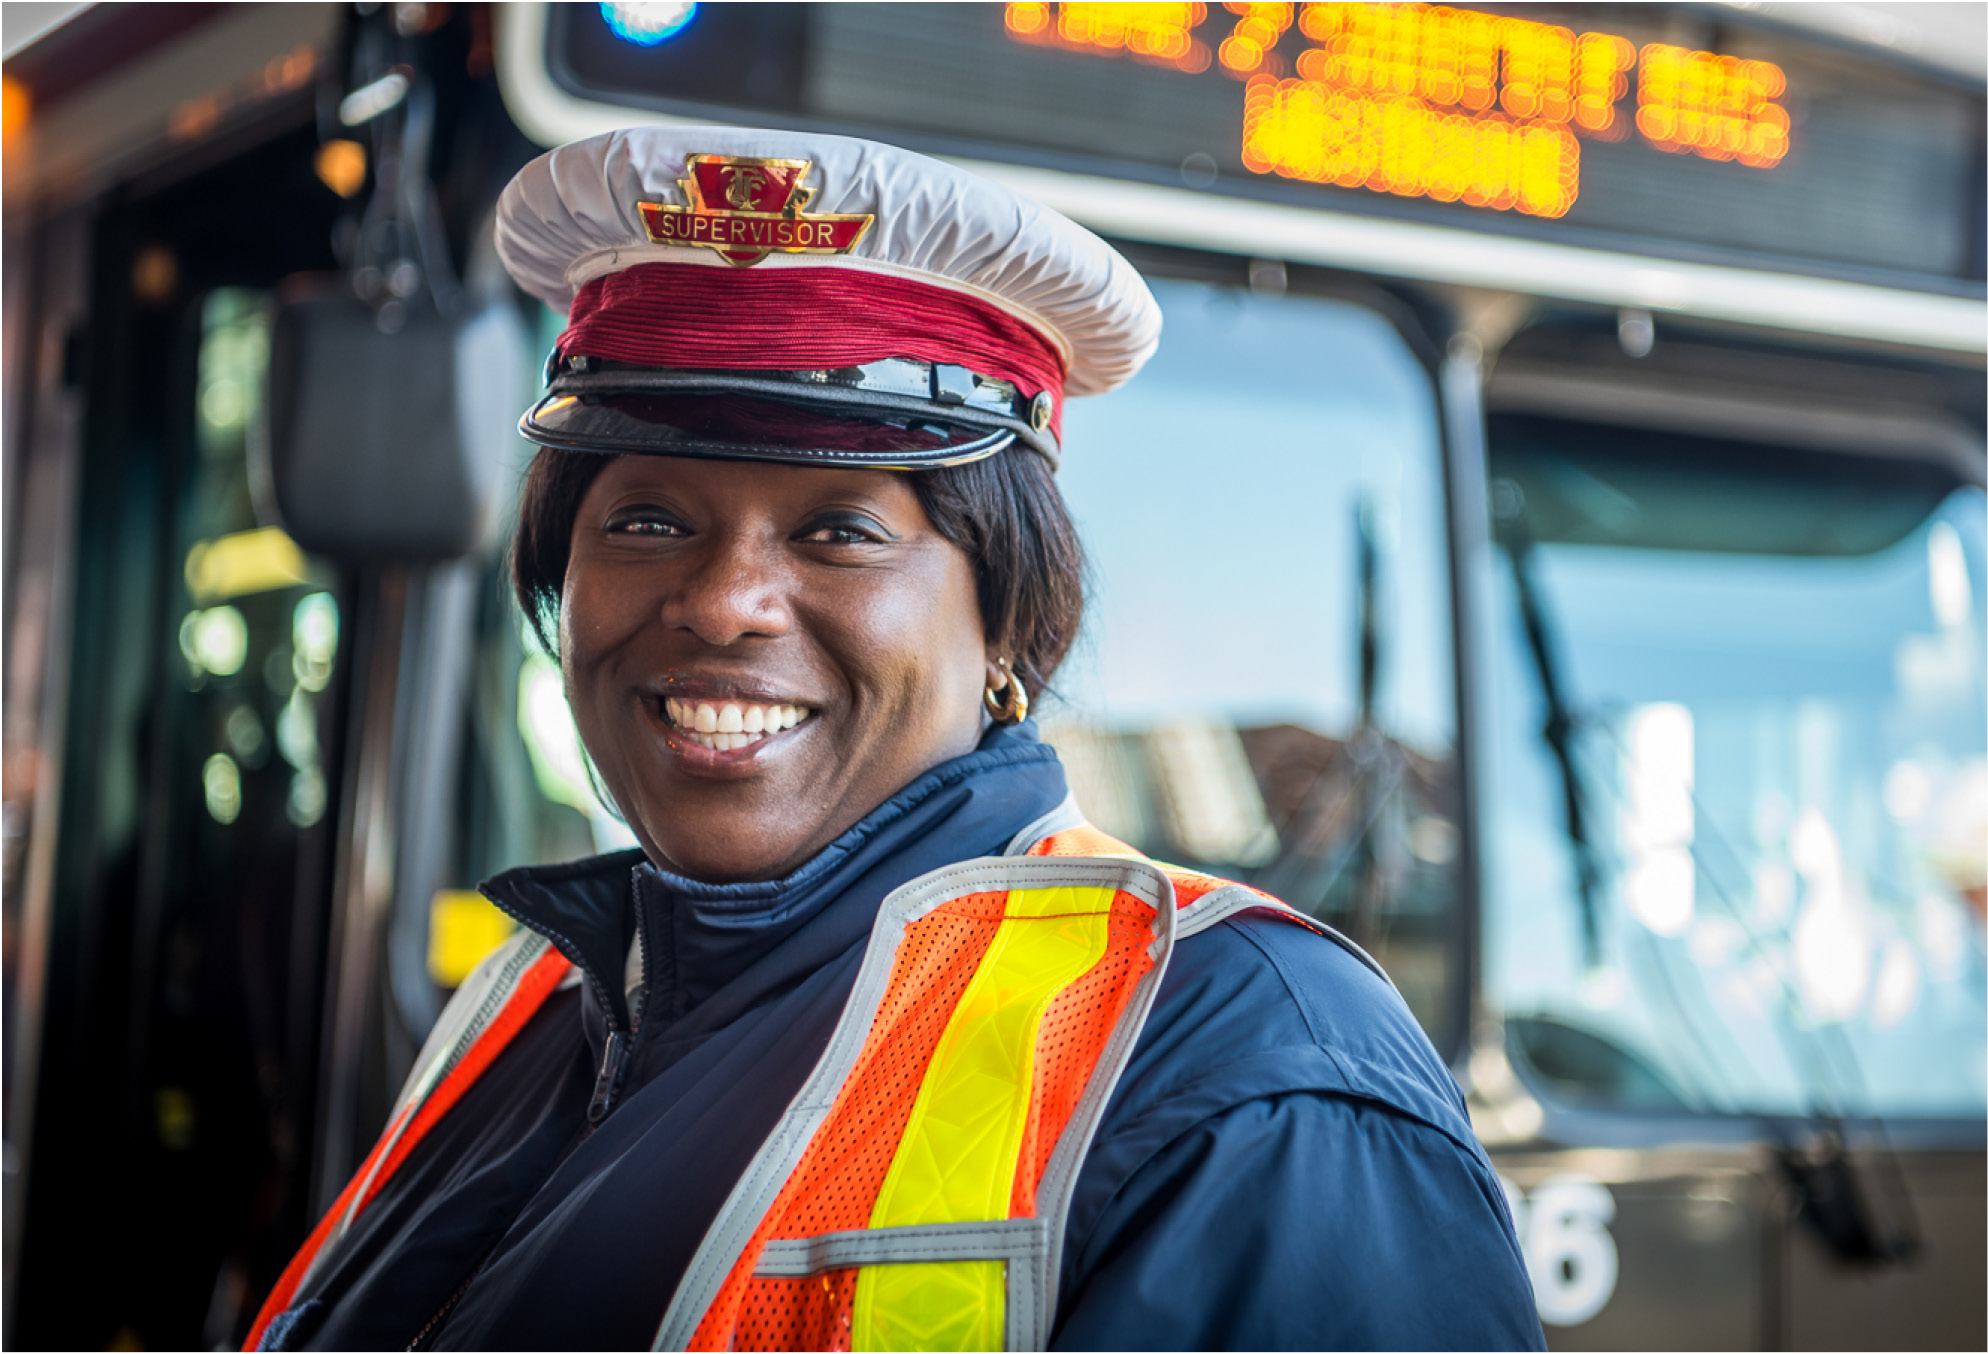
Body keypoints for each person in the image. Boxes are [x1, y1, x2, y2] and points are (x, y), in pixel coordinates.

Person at [245, 126, 1544, 1352]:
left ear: (1006, 625)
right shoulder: (533, 994)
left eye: (840, 531)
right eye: (648, 519)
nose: (720, 600)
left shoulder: (1250, 1069)